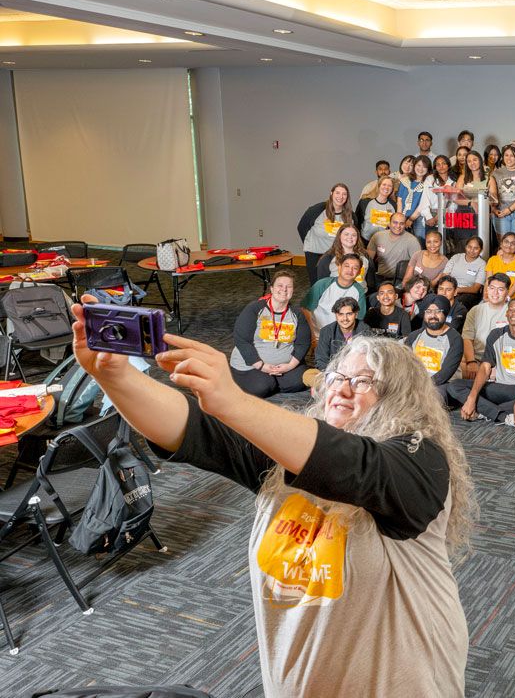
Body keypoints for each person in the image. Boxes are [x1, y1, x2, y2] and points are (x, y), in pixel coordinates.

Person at [72, 306, 474, 695]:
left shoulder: (423, 462)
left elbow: (355, 466)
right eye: (337, 376)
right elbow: (194, 430)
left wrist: (233, 401)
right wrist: (115, 377)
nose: (341, 389)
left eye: (365, 381)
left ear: (400, 398)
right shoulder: (287, 451)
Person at [449, 298, 515, 427]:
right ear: (506, 314)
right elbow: (485, 368)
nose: (514, 313)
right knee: (454, 386)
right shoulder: (496, 334)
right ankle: (505, 416)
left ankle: (485, 412)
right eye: (511, 310)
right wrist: (471, 398)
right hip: (499, 387)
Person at [230, 271, 310, 398]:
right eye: (280, 285)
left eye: (288, 286)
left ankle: (272, 380)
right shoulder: (254, 309)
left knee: (299, 383)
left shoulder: (297, 314)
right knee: (262, 387)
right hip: (252, 365)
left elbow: (303, 343)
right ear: (272, 289)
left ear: (292, 290)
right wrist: (261, 366)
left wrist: (290, 366)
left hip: (284, 365)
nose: (284, 289)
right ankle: (261, 380)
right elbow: (242, 340)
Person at [404, 294, 463, 401]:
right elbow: (405, 365)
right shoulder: (414, 336)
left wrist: (421, 385)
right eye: (429, 311)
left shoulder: (455, 338)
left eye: (438, 311)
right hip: (416, 381)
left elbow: (445, 373)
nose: (433, 315)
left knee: (432, 398)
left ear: (445, 313)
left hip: (442, 384)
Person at [298, 183, 355, 284]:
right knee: (317, 285)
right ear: (331, 193)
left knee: (334, 284)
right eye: (337, 193)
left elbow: (353, 233)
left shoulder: (349, 214)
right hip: (315, 254)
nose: (340, 197)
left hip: (336, 255)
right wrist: (309, 244)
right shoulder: (316, 210)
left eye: (344, 194)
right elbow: (302, 227)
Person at [460, 273, 511, 380]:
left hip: (500, 360)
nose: (495, 293)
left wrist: (497, 364)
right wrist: (471, 361)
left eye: (500, 289)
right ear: (487, 289)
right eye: (492, 288)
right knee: (461, 370)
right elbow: (467, 339)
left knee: (493, 375)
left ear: (507, 292)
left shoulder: (511, 313)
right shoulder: (475, 310)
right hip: (476, 358)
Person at [310, 297, 369, 385]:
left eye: (349, 314)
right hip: (333, 373)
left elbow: (369, 359)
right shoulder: (326, 331)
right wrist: (336, 375)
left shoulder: (365, 330)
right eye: (341, 314)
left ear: (356, 315)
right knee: (308, 375)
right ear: (336, 315)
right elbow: (321, 359)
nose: (345, 318)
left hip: (356, 374)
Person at [302, 254, 366, 334]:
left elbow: (359, 318)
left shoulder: (359, 291)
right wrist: (312, 336)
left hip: (342, 335)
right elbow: (306, 310)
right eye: (347, 266)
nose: (350, 270)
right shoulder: (322, 284)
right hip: (317, 333)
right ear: (339, 268)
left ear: (359, 272)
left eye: (355, 268)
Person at [367, 211, 422, 279]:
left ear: (405, 225)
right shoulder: (377, 236)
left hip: (401, 279)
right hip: (380, 278)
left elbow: (419, 265)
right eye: (395, 222)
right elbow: (368, 259)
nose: (398, 226)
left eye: (401, 223)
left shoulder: (412, 241)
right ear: (389, 223)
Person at [440, 235, 487, 309]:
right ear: (465, 247)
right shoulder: (456, 257)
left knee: (457, 305)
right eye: (470, 247)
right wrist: (449, 290)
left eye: (476, 248)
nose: (472, 251)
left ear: (481, 250)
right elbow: (445, 276)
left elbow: (475, 289)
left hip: (468, 293)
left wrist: (457, 290)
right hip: (450, 289)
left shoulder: (482, 264)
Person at [485, 232, 515, 299]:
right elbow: (488, 281)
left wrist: (505, 298)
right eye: (506, 242)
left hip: (513, 297)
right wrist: (485, 296)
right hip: (493, 297)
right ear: (501, 244)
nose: (509, 245)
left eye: (513, 243)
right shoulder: (492, 260)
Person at [356, 176, 398, 243]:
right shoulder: (365, 202)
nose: (386, 187)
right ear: (378, 186)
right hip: (365, 241)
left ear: (392, 189)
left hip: (383, 243)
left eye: (389, 186)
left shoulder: (393, 205)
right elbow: (357, 222)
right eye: (384, 184)